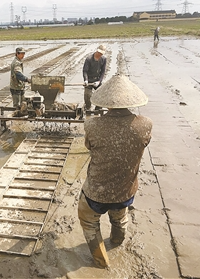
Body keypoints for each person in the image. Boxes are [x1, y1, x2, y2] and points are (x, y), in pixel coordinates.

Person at [78, 74, 153, 268]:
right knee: (120, 217)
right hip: (124, 190)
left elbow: (89, 146)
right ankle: (118, 241)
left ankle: (101, 261)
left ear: (106, 102)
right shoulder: (145, 124)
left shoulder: (92, 124)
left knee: (89, 221)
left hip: (96, 192)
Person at [83, 44, 107, 110]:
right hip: (89, 80)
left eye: (101, 54)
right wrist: (86, 80)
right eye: (99, 53)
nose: (100, 54)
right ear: (97, 51)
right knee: (87, 95)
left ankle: (98, 109)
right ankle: (88, 108)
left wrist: (99, 81)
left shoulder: (103, 59)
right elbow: (85, 71)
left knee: (102, 94)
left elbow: (103, 72)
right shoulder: (89, 59)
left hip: (97, 80)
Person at [10, 47, 31, 116]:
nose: (23, 55)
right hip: (16, 87)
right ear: (17, 54)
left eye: (24, 54)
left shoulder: (18, 61)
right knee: (17, 106)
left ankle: (20, 119)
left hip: (20, 87)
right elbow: (18, 74)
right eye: (21, 54)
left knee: (23, 104)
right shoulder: (16, 63)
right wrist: (26, 79)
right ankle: (15, 121)